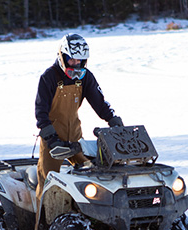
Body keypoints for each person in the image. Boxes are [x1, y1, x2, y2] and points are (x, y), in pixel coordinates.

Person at [35, 33, 123, 204]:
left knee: (92, 176)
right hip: (53, 141)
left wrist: (113, 119)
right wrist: (50, 137)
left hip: (75, 138)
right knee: (47, 181)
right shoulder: (49, 77)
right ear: (62, 56)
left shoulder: (86, 78)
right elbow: (41, 112)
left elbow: (99, 102)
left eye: (80, 61)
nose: (76, 64)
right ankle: (42, 228)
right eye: (72, 60)